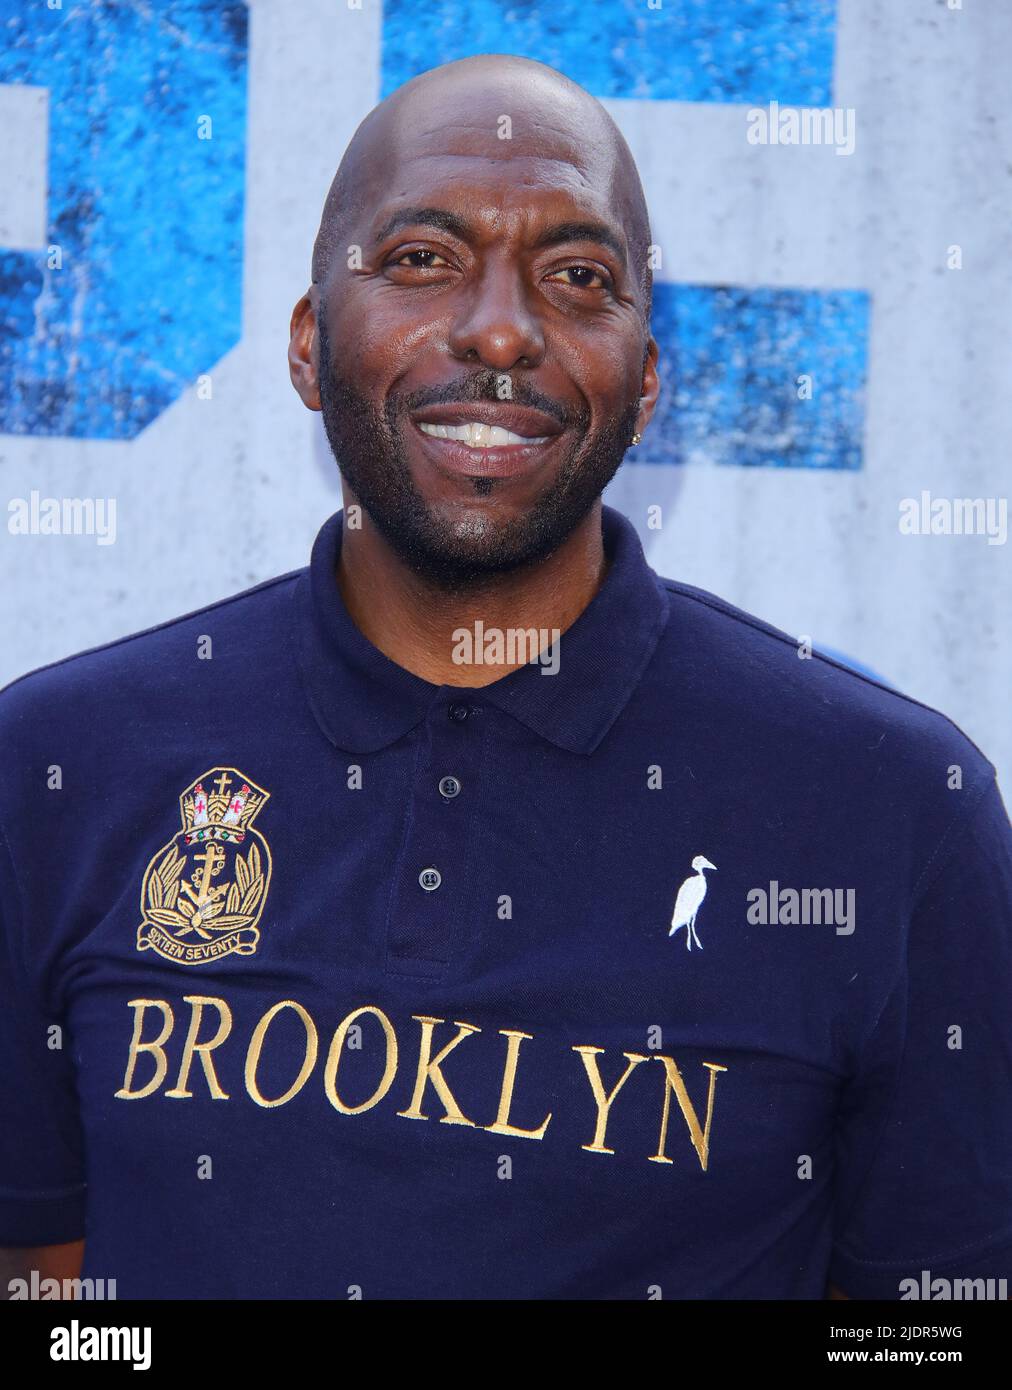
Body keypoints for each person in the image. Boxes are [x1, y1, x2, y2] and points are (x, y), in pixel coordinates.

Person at [1, 54, 1010, 1302]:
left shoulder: (891, 806)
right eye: (422, 259)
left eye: (577, 277)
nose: (498, 330)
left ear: (644, 382)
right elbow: (44, 1289)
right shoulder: (56, 762)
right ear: (310, 349)